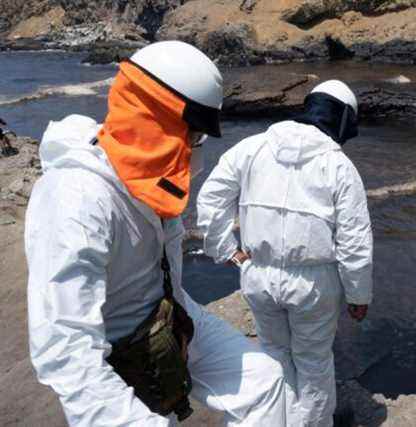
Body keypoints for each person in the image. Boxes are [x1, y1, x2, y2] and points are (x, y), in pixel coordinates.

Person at [25, 41, 290, 426]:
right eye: (193, 137)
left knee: (265, 384)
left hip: (168, 310)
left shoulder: (148, 177)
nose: (196, 152)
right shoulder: (78, 200)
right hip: (114, 347)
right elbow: (64, 345)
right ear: (157, 126)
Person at [197, 80, 373, 427]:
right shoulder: (339, 166)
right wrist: (358, 293)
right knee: (313, 362)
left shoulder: (252, 147)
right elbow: (354, 240)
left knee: (274, 355)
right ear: (342, 119)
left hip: (258, 275)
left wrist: (228, 251)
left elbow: (211, 199)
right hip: (314, 283)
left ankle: (275, 419)